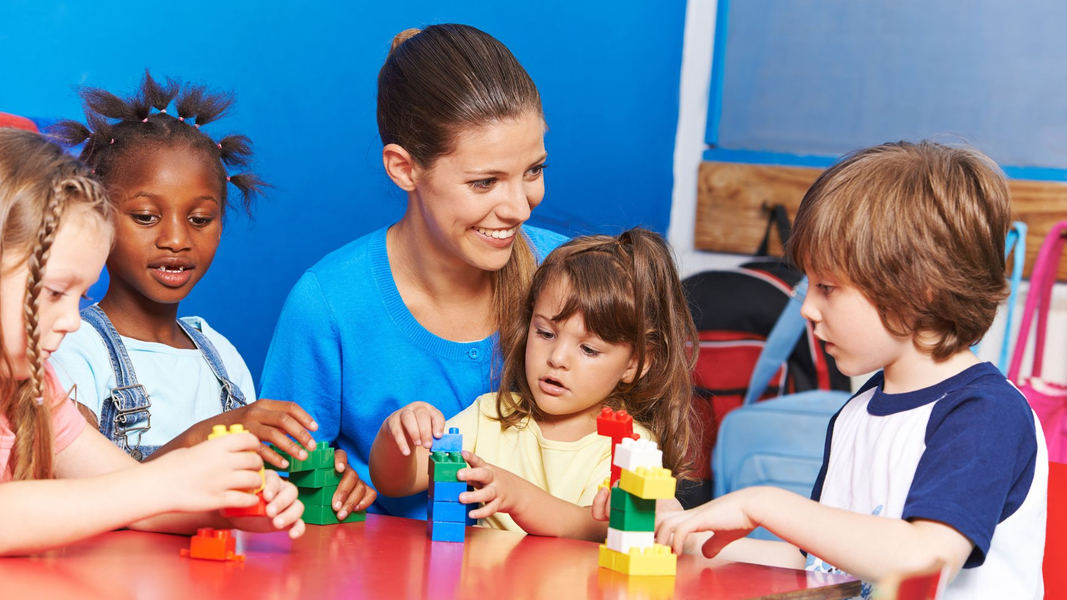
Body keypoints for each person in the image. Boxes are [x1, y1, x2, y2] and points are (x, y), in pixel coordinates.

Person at [656, 141, 1047, 600]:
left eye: (827, 287)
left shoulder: (985, 415)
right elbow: (816, 564)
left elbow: (925, 563)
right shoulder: (856, 413)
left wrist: (765, 503)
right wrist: (685, 535)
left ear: (919, 291)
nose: (807, 309)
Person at [260, 24, 568, 519]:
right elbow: (277, 487)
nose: (520, 207)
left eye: (533, 171)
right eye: (485, 182)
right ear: (404, 169)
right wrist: (319, 487)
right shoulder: (329, 304)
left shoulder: (569, 276)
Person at [48, 72, 374, 521]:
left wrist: (304, 479)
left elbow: (245, 488)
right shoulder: (71, 346)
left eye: (200, 219)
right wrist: (211, 434)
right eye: (146, 216)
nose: (177, 240)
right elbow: (93, 496)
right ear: (98, 217)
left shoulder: (220, 358)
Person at [0, 129, 304, 555]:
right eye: (53, 292)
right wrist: (168, 480)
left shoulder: (36, 389)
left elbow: (125, 494)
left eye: (80, 296)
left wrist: (230, 504)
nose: (71, 321)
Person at [370, 228, 697, 539]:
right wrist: (394, 435)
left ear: (635, 364)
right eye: (546, 333)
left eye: (588, 349)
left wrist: (519, 497)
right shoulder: (491, 415)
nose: (557, 358)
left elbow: (594, 527)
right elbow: (397, 482)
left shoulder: (629, 444)